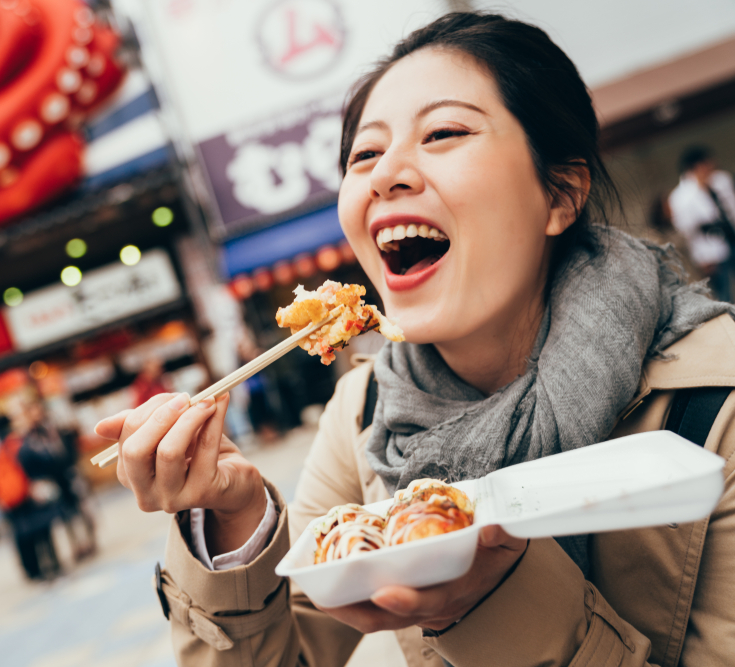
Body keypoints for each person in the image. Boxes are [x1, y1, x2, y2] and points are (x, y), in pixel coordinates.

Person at [95, 12, 735, 667]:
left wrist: (487, 601)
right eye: (364, 154)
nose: (385, 175)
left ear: (560, 194)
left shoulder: (718, 406)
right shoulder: (366, 409)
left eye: (444, 132)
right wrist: (234, 518)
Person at [0, 414, 60, 581]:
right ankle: (52, 566)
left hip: (10, 498)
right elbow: (41, 461)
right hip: (30, 494)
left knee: (23, 536)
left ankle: (34, 570)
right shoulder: (18, 443)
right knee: (43, 532)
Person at [22, 402, 97, 560]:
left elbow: (70, 447)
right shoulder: (31, 437)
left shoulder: (56, 428)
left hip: (69, 474)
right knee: (66, 516)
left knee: (83, 510)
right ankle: (77, 545)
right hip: (55, 480)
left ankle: (90, 540)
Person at [668, 145, 735, 302]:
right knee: (724, 293)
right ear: (695, 166)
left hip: (731, 235)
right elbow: (687, 232)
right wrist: (703, 258)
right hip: (712, 250)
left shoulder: (721, 180)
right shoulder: (680, 197)